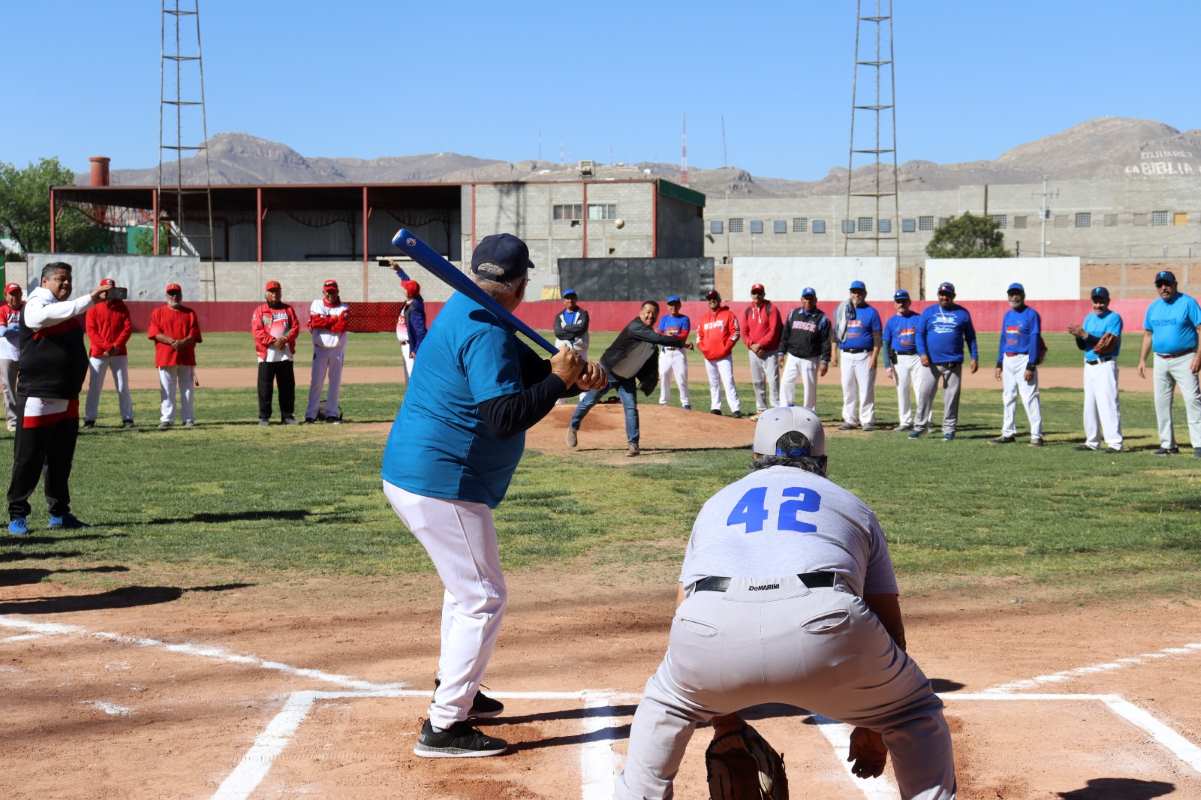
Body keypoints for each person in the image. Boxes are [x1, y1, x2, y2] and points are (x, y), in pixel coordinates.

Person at [615, 406, 957, 800]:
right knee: (913, 711)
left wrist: (725, 722)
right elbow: (889, 625)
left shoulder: (716, 503)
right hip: (825, 619)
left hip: (708, 624)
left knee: (667, 705)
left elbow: (682, 613)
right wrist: (876, 719)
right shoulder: (851, 504)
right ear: (822, 462)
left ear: (755, 458)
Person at [380, 233, 605, 757]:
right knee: (483, 596)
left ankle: (454, 687)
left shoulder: (469, 307)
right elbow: (504, 418)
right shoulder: (484, 329)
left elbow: (526, 371)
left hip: (426, 474)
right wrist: (557, 384)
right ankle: (444, 726)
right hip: (443, 481)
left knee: (465, 590)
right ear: (522, 283)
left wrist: (566, 376)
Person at [7, 262, 110, 535]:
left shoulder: (65, 310)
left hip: (67, 396)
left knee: (61, 460)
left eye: (69, 280)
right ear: (44, 281)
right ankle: (18, 514)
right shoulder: (35, 304)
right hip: (38, 397)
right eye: (60, 280)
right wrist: (88, 299)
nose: (66, 284)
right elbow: (43, 318)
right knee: (28, 458)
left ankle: (59, 513)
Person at [567, 300, 693, 457]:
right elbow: (658, 338)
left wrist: (650, 380)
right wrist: (682, 343)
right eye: (647, 312)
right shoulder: (636, 327)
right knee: (589, 400)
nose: (650, 315)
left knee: (631, 408)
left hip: (627, 377)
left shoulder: (652, 342)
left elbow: (650, 362)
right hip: (608, 371)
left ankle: (633, 445)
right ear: (640, 313)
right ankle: (573, 426)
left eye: (654, 313)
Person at [1137, 269, 1201, 457]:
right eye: (1160, 284)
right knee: (1161, 402)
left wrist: (1199, 356)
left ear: (1175, 285)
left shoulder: (1188, 302)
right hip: (1160, 360)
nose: (1164, 287)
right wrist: (1142, 359)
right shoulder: (1153, 307)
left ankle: (1198, 444)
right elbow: (1148, 334)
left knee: (1192, 400)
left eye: (1167, 284)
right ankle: (1167, 445)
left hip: (1185, 358)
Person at [913, 282, 978, 441]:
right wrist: (922, 353)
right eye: (941, 294)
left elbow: (970, 337)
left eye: (947, 295)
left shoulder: (962, 313)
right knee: (924, 395)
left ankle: (949, 429)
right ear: (938, 295)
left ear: (953, 296)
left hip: (953, 363)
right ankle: (919, 427)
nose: (944, 297)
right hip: (931, 363)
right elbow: (919, 335)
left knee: (951, 398)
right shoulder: (928, 312)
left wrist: (974, 357)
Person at [1068, 286, 1123, 452]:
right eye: (1096, 301)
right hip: (1089, 365)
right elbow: (1083, 345)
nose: (1098, 305)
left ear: (1108, 301)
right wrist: (1078, 336)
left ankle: (1115, 443)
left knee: (1108, 403)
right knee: (1089, 405)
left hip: (1105, 364)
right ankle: (1092, 442)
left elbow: (1105, 344)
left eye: (1102, 301)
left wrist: (1084, 335)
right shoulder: (1089, 318)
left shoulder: (1114, 318)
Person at [992, 283, 1044, 446]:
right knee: (1008, 396)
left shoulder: (1031, 315)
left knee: (1029, 397)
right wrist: (999, 362)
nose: (1014, 297)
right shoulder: (1007, 315)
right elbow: (1003, 338)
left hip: (1024, 359)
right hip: (1008, 359)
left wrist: (1031, 364)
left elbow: (1035, 339)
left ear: (1023, 295)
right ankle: (1008, 432)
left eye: (1017, 294)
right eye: (1011, 294)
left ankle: (1036, 435)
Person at [147, 283, 202, 430]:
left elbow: (194, 334)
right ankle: (167, 419)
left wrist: (182, 342)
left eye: (177, 293)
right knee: (167, 389)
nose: (174, 296)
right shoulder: (158, 312)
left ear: (181, 295)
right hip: (165, 356)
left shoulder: (190, 313)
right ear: (166, 296)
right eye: (171, 294)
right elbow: (154, 333)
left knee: (187, 389)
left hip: (186, 356)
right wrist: (171, 341)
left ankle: (188, 418)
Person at [83, 277, 134, 430]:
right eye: (106, 289)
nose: (108, 292)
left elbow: (128, 327)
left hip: (119, 353)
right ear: (101, 290)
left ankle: (128, 419)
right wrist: (106, 346)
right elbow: (91, 331)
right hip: (98, 353)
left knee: (123, 386)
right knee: (94, 388)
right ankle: (89, 419)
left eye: (111, 289)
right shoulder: (93, 307)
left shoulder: (122, 306)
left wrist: (116, 345)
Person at [832, 280, 882, 431]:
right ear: (850, 293)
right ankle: (850, 419)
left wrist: (874, 358)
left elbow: (877, 338)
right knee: (848, 388)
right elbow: (836, 334)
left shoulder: (871, 312)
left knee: (866, 389)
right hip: (846, 354)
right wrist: (834, 354)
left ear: (865, 294)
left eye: (859, 292)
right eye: (854, 291)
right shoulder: (843, 310)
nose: (856, 294)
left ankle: (867, 420)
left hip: (864, 355)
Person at [252, 280, 300, 426]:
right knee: (265, 388)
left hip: (285, 355)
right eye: (272, 292)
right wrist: (273, 341)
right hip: (267, 356)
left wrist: (285, 339)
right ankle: (264, 417)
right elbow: (257, 331)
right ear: (266, 294)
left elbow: (296, 327)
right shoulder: (260, 311)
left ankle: (287, 416)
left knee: (287, 387)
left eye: (277, 291)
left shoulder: (288, 310)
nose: (275, 294)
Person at [778, 286, 832, 410]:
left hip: (810, 358)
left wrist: (825, 361)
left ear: (815, 300)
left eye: (810, 299)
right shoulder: (793, 314)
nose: (808, 301)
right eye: (805, 299)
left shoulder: (822, 318)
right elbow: (785, 334)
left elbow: (825, 342)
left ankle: (809, 411)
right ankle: (785, 407)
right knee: (786, 382)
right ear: (801, 299)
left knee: (809, 387)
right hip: (792, 356)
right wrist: (781, 352)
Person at [305, 279, 349, 424]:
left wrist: (326, 320)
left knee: (335, 383)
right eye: (328, 291)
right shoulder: (316, 303)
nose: (330, 294)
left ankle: (332, 413)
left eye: (333, 291)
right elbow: (316, 322)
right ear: (323, 292)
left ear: (338, 291)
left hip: (337, 350)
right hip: (320, 349)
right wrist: (333, 319)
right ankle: (311, 415)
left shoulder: (344, 307)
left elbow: (340, 326)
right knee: (316, 382)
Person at [697, 289, 741, 417]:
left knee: (728, 381)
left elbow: (735, 332)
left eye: (714, 298)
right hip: (709, 357)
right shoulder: (704, 318)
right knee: (713, 383)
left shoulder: (728, 314)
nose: (712, 300)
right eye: (709, 299)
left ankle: (735, 408)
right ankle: (715, 407)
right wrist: (705, 350)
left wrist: (725, 348)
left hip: (724, 356)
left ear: (719, 299)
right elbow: (699, 337)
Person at [882, 289, 922, 432]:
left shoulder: (918, 318)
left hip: (917, 357)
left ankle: (924, 422)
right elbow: (885, 343)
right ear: (895, 304)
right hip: (899, 359)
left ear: (909, 302)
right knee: (902, 390)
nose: (901, 304)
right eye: (898, 301)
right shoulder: (891, 322)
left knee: (921, 390)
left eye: (904, 301)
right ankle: (905, 421)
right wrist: (887, 365)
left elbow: (925, 338)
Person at [743, 283, 783, 415]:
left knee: (773, 380)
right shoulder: (748, 310)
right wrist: (752, 345)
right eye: (754, 293)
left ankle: (776, 409)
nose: (757, 295)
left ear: (764, 294)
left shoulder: (771, 308)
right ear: (751, 295)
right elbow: (744, 332)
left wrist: (760, 345)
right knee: (757, 381)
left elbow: (774, 331)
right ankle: (761, 409)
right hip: (753, 352)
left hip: (770, 351)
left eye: (759, 293)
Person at [553, 288, 590, 404]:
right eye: (567, 298)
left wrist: (566, 328)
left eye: (572, 297)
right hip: (564, 350)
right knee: (563, 373)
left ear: (576, 299)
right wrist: (573, 329)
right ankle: (560, 401)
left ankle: (584, 401)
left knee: (583, 374)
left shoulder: (583, 314)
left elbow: (582, 328)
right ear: (563, 301)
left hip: (580, 349)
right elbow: (558, 333)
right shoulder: (559, 316)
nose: (570, 300)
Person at [656, 294, 691, 410]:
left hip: (678, 353)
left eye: (676, 304)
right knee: (664, 376)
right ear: (667, 306)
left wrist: (672, 335)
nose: (673, 307)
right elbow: (659, 333)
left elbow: (684, 335)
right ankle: (663, 401)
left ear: (680, 305)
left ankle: (685, 402)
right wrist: (666, 334)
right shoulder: (664, 319)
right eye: (671, 304)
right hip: (665, 352)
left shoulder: (684, 319)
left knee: (681, 378)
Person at [392, 265, 427, 381]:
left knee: (413, 378)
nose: (403, 288)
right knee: (409, 377)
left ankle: (417, 400)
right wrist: (398, 270)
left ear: (409, 292)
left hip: (410, 347)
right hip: (406, 345)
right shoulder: (414, 300)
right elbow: (406, 280)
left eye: (405, 288)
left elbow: (421, 331)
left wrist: (416, 350)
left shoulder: (414, 307)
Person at [0, 283, 25, 431]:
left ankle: (26, 417)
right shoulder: (2, 310)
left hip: (26, 354)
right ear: (6, 296)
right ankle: (13, 420)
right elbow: (2, 332)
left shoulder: (27, 308)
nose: (15, 296)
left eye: (17, 293)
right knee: (8, 389)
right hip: (6, 355)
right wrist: (20, 328)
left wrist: (12, 329)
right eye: (12, 294)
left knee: (27, 388)